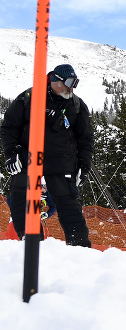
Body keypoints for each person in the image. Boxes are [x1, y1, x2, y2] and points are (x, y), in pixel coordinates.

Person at [1, 63, 93, 247]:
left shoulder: (76, 105)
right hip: (28, 158)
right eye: (68, 82)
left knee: (68, 204)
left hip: (61, 161)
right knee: (21, 199)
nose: (71, 87)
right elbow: (9, 127)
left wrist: (84, 164)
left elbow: (86, 137)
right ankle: (33, 245)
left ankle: (80, 249)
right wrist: (11, 152)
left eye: (75, 83)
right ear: (55, 80)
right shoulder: (29, 98)